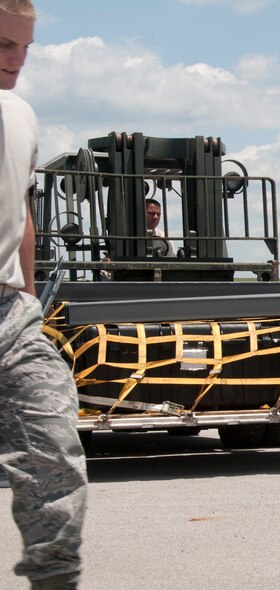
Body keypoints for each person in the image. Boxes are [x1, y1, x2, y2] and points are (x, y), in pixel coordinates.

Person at [1, 1, 89, 588]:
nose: (17, 61)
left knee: (56, 456)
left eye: (26, 47)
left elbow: (24, 212)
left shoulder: (18, 114)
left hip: (8, 313)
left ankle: (55, 580)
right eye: (4, 45)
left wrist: (29, 299)